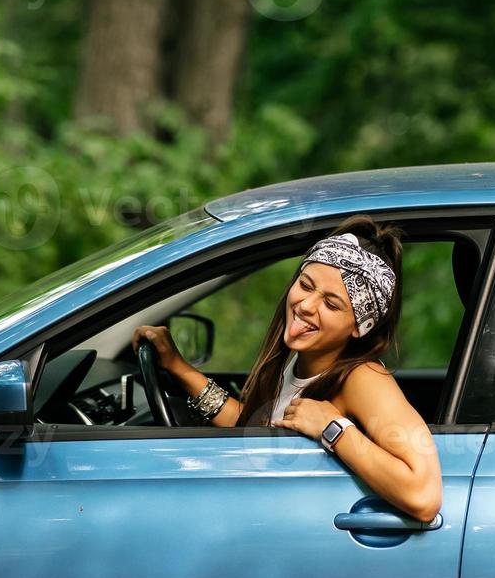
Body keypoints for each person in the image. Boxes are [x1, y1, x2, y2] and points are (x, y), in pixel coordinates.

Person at [132, 216, 443, 523]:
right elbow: (251, 428)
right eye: (305, 285)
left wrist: (333, 428)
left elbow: (424, 496)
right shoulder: (299, 357)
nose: (306, 305)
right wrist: (179, 367)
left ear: (360, 328)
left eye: (331, 304)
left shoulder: (363, 378)